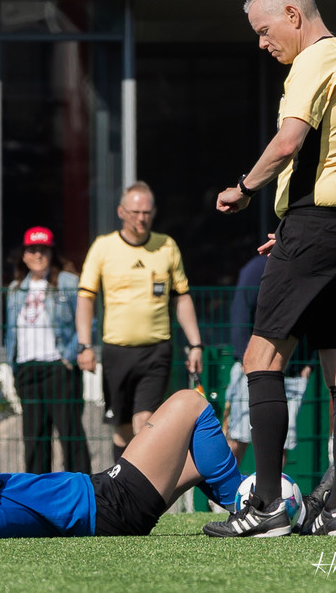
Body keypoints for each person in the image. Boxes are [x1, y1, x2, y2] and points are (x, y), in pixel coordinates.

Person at [206, 0, 336, 538]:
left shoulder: (313, 59)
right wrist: (295, 225)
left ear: (293, 14)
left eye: (264, 30)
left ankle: (266, 508)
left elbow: (289, 142)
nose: (262, 43)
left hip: (316, 229)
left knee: (260, 358)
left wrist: (244, 189)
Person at [0, 388, 243, 540]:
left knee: (198, 456)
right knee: (189, 404)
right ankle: (246, 508)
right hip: (109, 505)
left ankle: (259, 503)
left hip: (102, 501)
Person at [76, 181, 204, 462]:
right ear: (121, 212)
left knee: (145, 422)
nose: (141, 218)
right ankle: (121, 482)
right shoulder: (103, 247)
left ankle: (145, 482)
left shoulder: (166, 246)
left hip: (156, 350)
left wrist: (196, 344)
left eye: (146, 212)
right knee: (122, 429)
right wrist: (84, 345)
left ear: (154, 212)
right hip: (117, 351)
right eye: (135, 212)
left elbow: (182, 297)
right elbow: (85, 298)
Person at [5, 226, 91, 475]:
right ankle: (38, 490)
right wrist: (14, 364)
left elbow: (88, 320)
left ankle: (81, 486)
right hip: (27, 367)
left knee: (70, 433)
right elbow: (10, 331)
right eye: (32, 250)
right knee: (34, 438)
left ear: (52, 253)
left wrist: (70, 356)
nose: (38, 255)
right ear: (24, 255)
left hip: (58, 366)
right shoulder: (15, 289)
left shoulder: (68, 282)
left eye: (43, 250)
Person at [223, 253, 311, 467]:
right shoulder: (256, 270)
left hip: (291, 373)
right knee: (238, 436)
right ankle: (224, 488)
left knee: (280, 441)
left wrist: (307, 362)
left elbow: (313, 316)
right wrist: (245, 359)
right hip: (252, 370)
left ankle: (274, 488)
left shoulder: (308, 267)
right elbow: (240, 314)